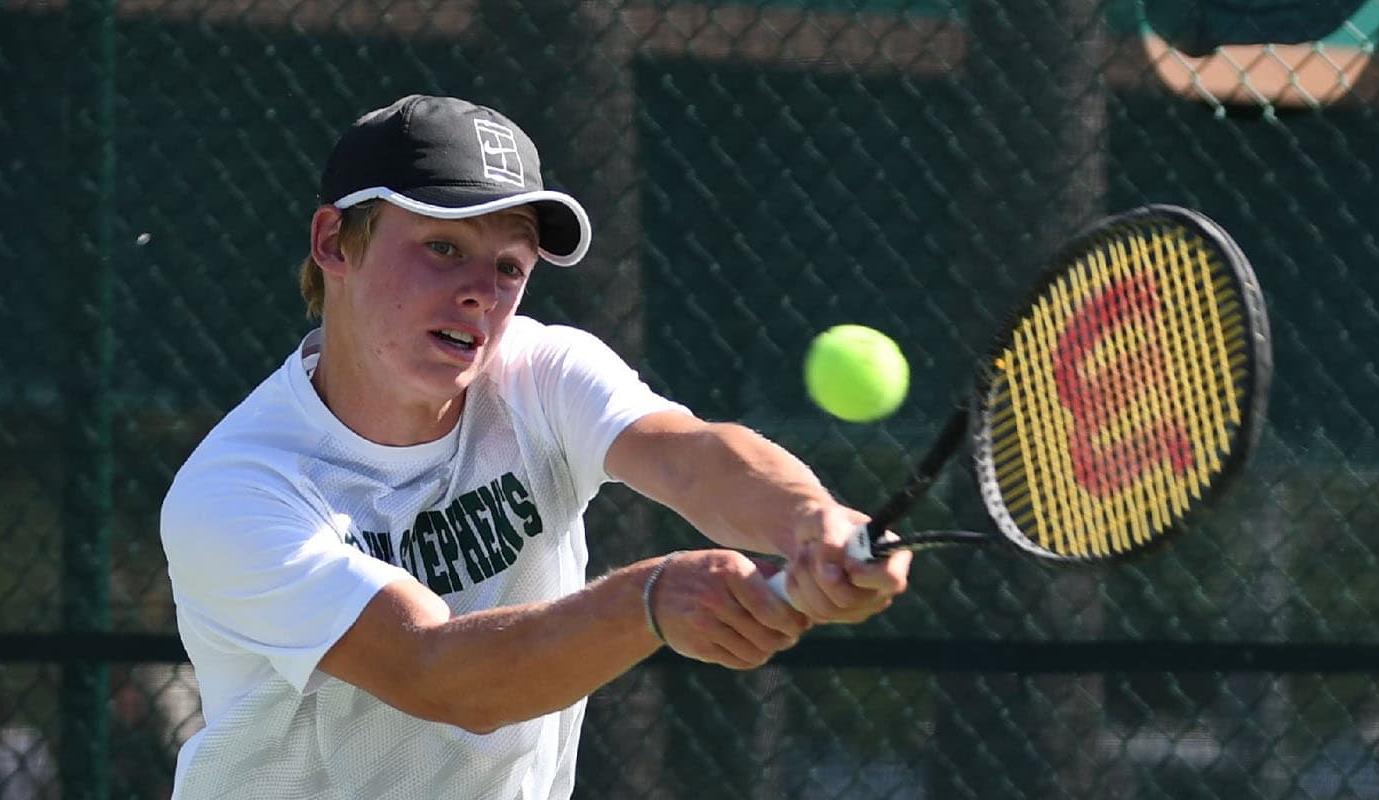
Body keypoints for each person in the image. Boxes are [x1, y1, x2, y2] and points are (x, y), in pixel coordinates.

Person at [159, 94, 913, 799]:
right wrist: (648, 601)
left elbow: (689, 454)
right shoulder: (237, 491)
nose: (482, 291)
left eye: (510, 267)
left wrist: (811, 523)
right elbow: (441, 675)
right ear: (334, 243)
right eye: (443, 246)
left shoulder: (538, 371)